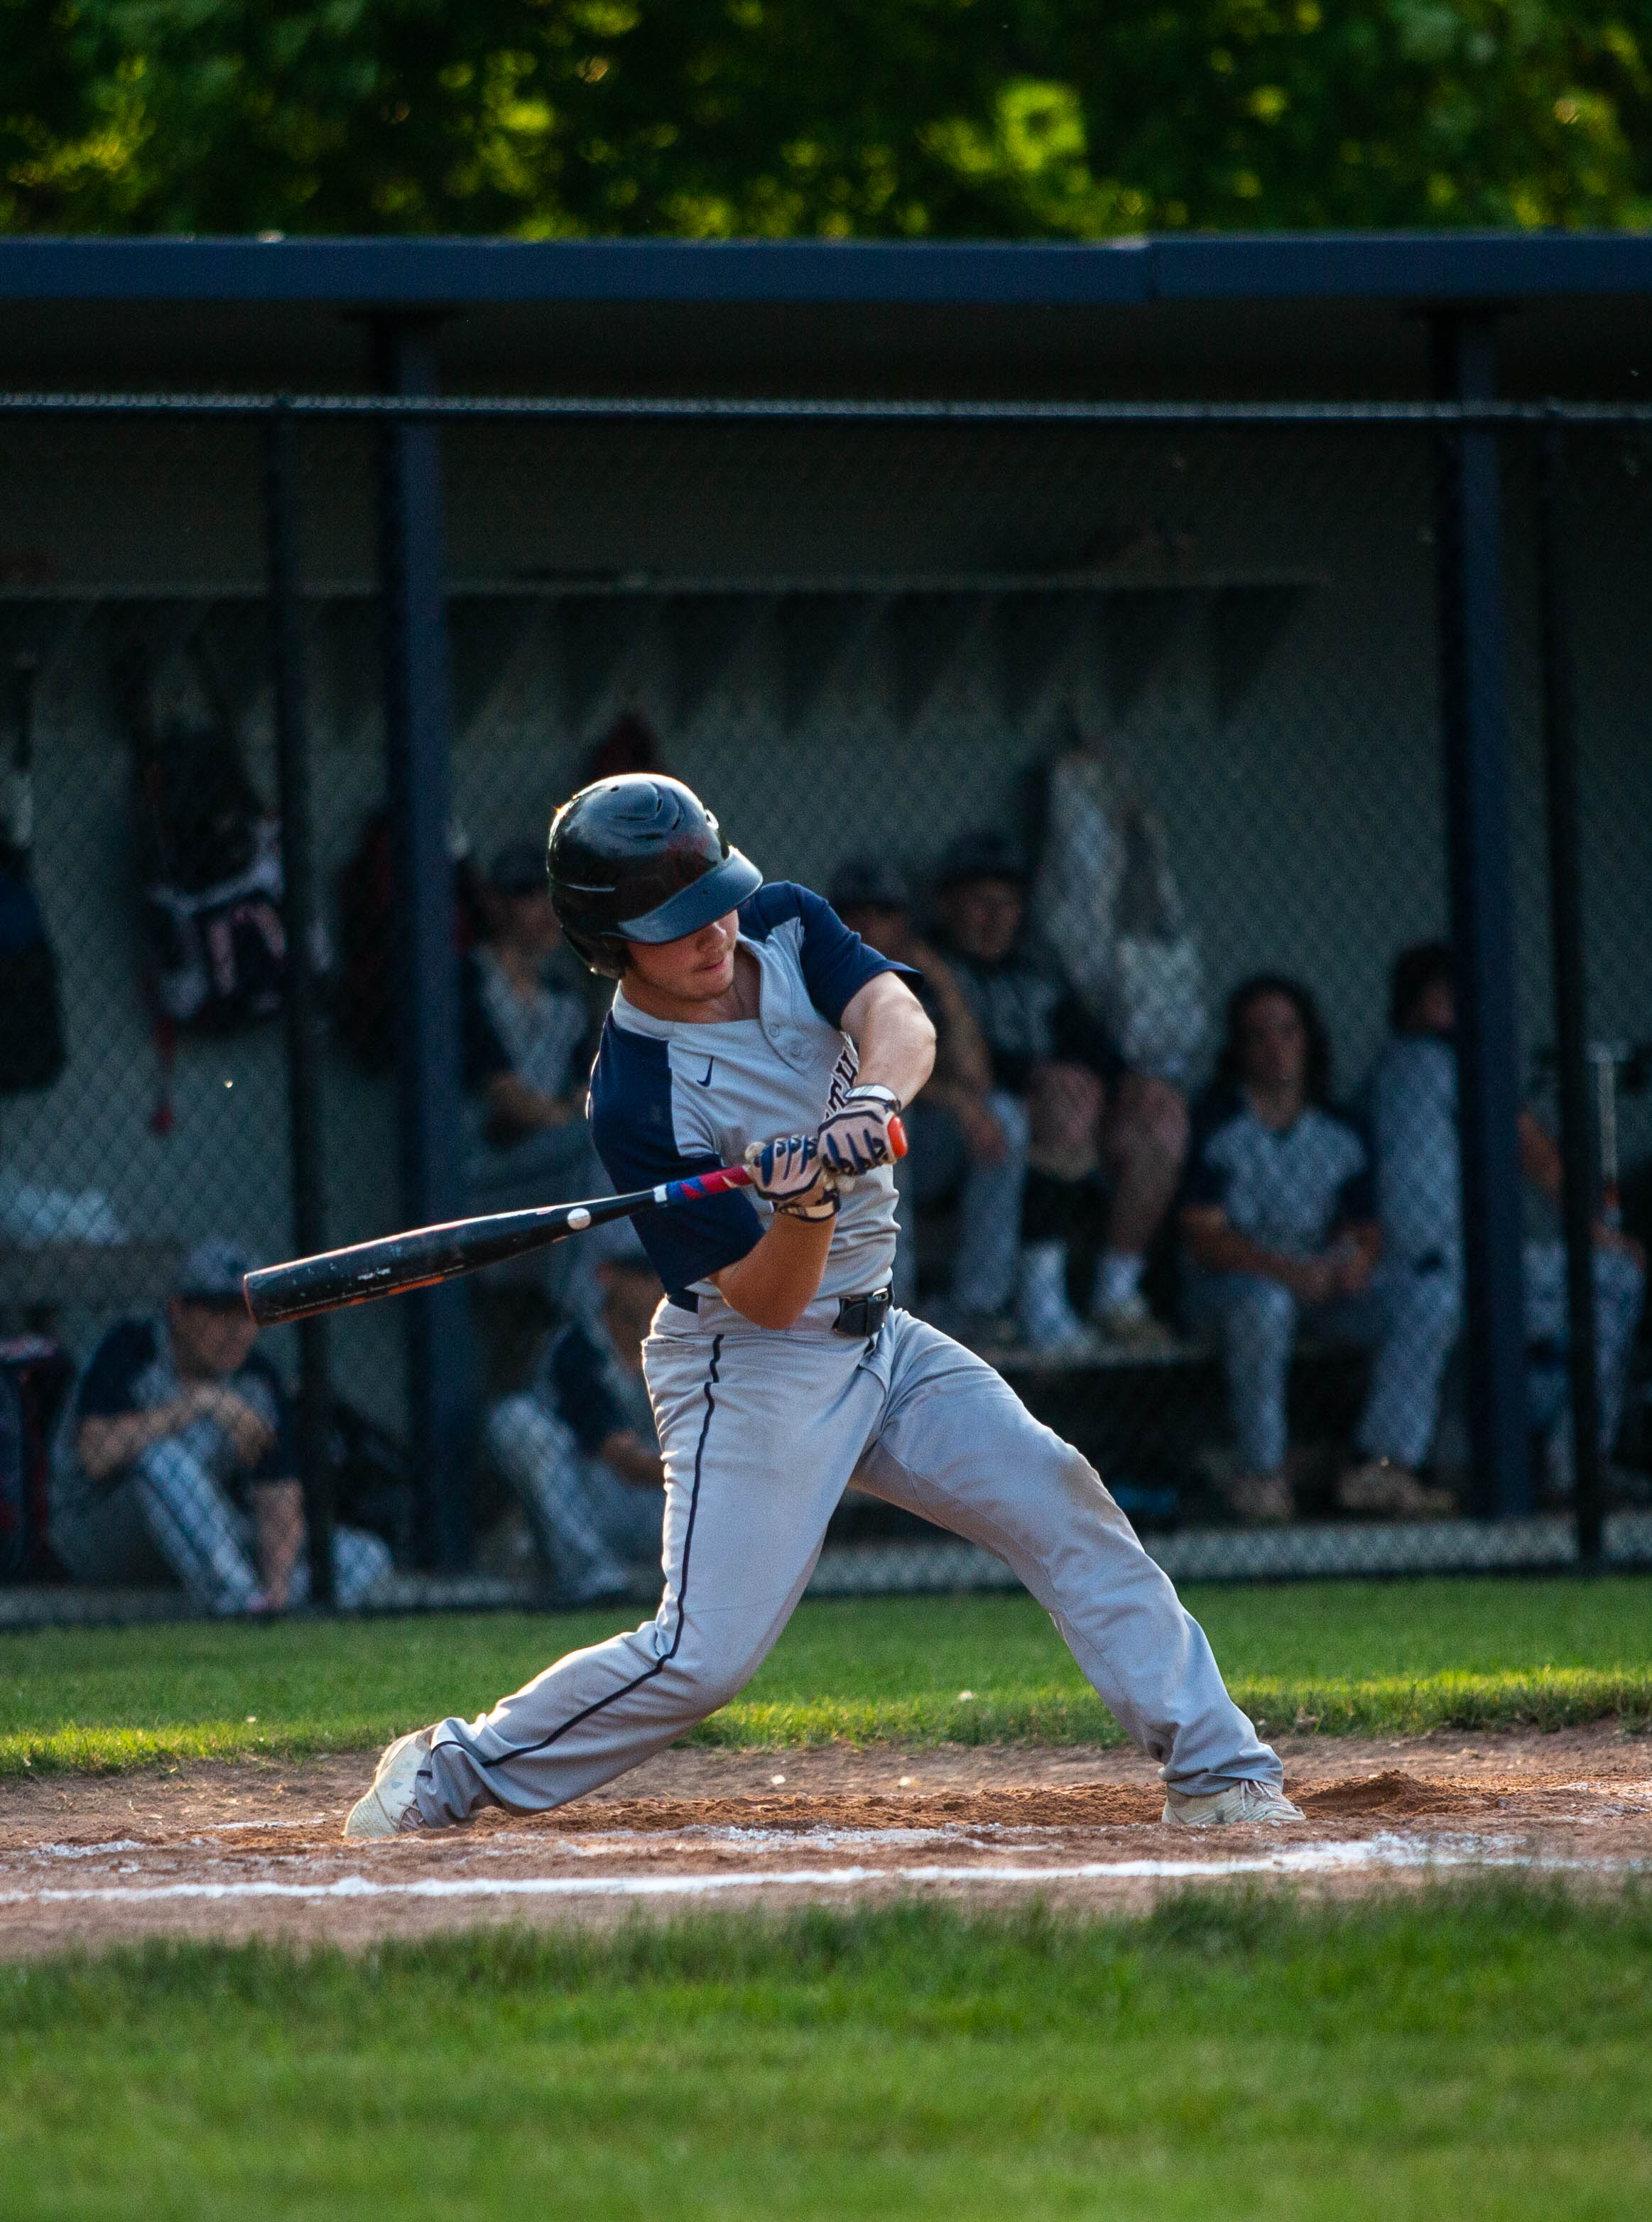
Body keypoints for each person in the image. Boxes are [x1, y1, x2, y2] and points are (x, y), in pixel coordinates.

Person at [341, 773, 1300, 1840]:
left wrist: (868, 1104)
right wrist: (804, 1206)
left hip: (883, 1336)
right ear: (610, 941)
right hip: (755, 1365)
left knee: (1055, 1493)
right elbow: (761, 1299)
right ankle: (451, 1771)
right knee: (702, 1657)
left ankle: (1218, 1769)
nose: (713, 932)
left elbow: (903, 1018)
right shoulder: (636, 1096)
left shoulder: (786, 922)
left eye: (714, 900)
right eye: (675, 924)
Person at [1354, 941, 1647, 1512]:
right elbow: (1535, 1154)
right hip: (1424, 1274)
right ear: (1415, 1003)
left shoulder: (1406, 1068)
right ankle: (1573, 1466)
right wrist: (1594, 1230)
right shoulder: (1422, 1062)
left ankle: (1566, 1466)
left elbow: (1531, 1153)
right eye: (1443, 996)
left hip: (1461, 1273)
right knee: (1612, 1277)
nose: (1458, 1010)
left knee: (1609, 1283)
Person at [927, 829, 1189, 1355]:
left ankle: (1117, 1293)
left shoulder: (1038, 973)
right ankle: (1040, 1299)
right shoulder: (929, 970)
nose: (996, 918)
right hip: (963, 1135)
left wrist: (1127, 1086)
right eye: (981, 902)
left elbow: (1095, 1048)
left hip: (1060, 1124)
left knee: (1158, 1111)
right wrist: (1038, 1079)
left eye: (1008, 903)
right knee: (1059, 1099)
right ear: (947, 905)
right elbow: (936, 1058)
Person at [51, 1238, 393, 1616]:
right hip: (102, 1535)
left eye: (248, 1313)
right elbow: (95, 1457)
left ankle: (272, 1609)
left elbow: (277, 1493)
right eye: (220, 1313)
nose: (238, 1330)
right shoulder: (131, 1349)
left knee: (365, 1556)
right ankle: (240, 1604)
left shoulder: (257, 1379)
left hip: (208, 1542)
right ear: (178, 1311)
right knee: (162, 1461)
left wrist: (278, 1586)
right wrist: (201, 1404)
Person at [1175, 977, 1378, 1524]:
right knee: (1265, 1305)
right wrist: (1288, 1273)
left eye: (1288, 1032)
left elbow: (1367, 1228)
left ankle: (1384, 1466)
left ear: (1309, 1039)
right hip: (1232, 1292)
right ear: (1238, 1048)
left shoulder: (1343, 1128)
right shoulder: (1218, 1122)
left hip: (1322, 1287)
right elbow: (1205, 1238)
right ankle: (1262, 1477)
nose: (1276, 1047)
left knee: (1426, 1297)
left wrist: (1357, 1260)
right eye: (1258, 1035)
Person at [828, 855, 1026, 1339]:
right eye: (855, 911)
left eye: (885, 912)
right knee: (889, 1121)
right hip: (839, 1151)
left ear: (907, 922)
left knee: (1005, 1116)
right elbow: (861, 1083)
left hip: (936, 1151)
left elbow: (977, 1079)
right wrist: (952, 1100)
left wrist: (940, 978)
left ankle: (981, 1307)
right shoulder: (820, 981)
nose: (869, 924)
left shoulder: (922, 979)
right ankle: (896, 1302)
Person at [486, 1224, 669, 1603]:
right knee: (515, 1420)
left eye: (661, 1273)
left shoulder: (682, 1344)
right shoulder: (578, 1348)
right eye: (642, 1273)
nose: (655, 1285)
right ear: (606, 1276)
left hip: (666, 1506)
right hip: (594, 1502)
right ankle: (594, 1581)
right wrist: (708, 1470)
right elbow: (626, 1462)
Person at [462, 837, 602, 1213]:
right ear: (494, 902)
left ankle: (633, 1274)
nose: (545, 910)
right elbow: (507, 1104)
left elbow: (588, 1092)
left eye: (551, 897)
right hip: (477, 1172)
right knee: (599, 1152)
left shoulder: (564, 997)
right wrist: (562, 1113)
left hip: (549, 1158)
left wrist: (568, 1111)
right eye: (528, 894)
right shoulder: (466, 982)